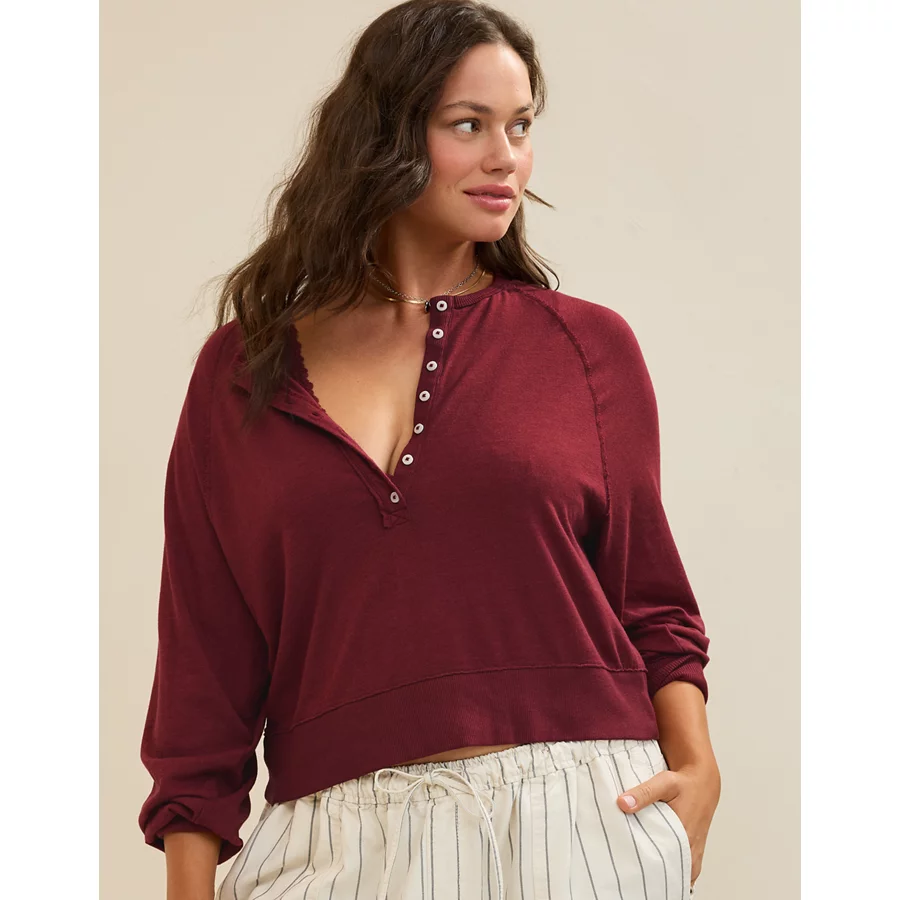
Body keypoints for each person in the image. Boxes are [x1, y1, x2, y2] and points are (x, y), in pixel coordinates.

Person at [137, 1, 721, 898]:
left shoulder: (585, 348)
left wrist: (697, 771)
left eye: (521, 126)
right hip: (336, 841)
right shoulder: (241, 373)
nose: (506, 157)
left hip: (583, 819)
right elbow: (203, 667)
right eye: (468, 125)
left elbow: (651, 601)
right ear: (383, 136)